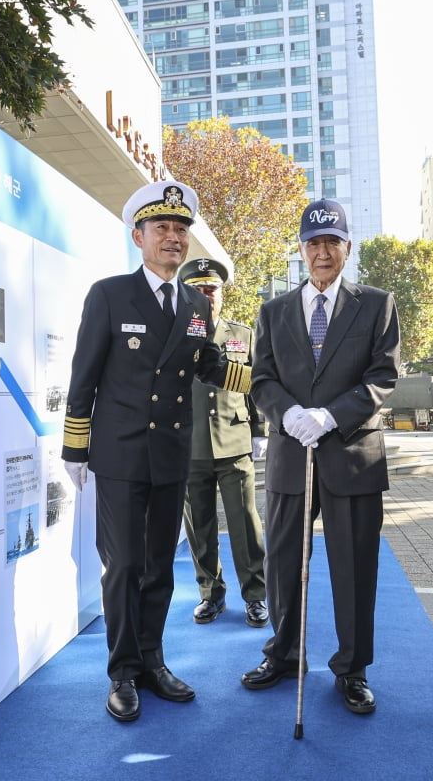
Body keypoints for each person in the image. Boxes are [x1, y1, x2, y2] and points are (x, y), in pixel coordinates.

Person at [61, 180, 253, 723]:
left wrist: (270, 379)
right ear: (138, 236)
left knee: (160, 569)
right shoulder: (109, 294)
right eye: (163, 228)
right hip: (120, 455)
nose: (174, 238)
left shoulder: (195, 302)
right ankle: (122, 672)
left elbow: (209, 365)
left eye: (181, 229)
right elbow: (85, 375)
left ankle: (152, 660)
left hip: (171, 453)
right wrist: (76, 448)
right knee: (122, 567)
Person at [239, 199, 401, 716]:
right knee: (285, 564)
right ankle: (284, 654)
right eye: (313, 242)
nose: (323, 251)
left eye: (332, 242)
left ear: (347, 247)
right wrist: (288, 414)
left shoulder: (376, 304)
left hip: (352, 454)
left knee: (354, 568)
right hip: (291, 454)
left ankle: (352, 668)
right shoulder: (274, 311)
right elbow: (261, 378)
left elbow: (383, 376)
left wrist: (330, 416)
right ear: (302, 251)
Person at [178, 258, 269, 628]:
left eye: (211, 289)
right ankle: (210, 594)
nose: (206, 296)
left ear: (221, 294)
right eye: (198, 290)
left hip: (234, 442)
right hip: (189, 445)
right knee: (199, 526)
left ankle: (255, 595)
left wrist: (261, 432)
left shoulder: (243, 335)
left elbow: (258, 387)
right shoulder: (174, 335)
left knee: (245, 523)